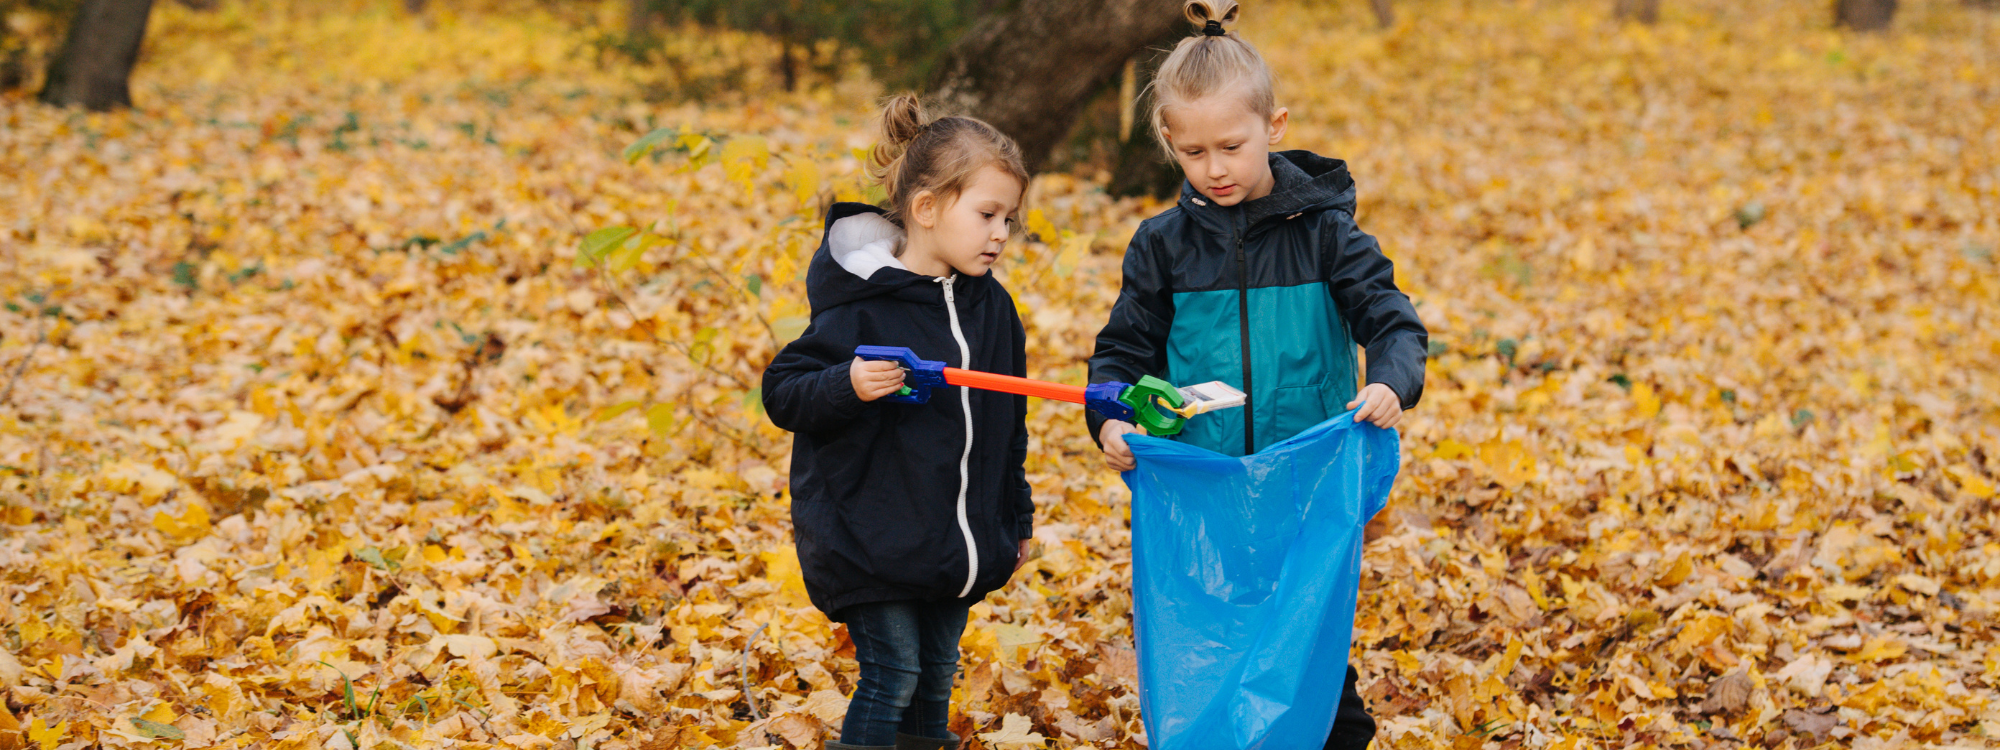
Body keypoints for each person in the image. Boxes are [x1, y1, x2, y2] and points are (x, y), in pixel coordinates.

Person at [1086, 1, 1430, 747]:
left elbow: (1391, 318)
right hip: (1203, 491)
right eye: (1194, 152)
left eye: (1232, 147)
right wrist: (1109, 416)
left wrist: (1389, 382)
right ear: (1169, 143)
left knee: (1309, 658)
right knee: (1215, 653)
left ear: (1274, 128)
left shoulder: (1325, 235)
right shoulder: (1162, 247)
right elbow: (1121, 353)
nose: (1215, 169)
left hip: (1307, 486)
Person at [761, 94, 1034, 750]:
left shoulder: (992, 311)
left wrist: (1014, 516)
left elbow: (1008, 425)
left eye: (1009, 219)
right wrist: (849, 383)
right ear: (927, 208)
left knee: (938, 671)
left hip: (954, 535)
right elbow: (783, 392)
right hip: (869, 534)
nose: (1001, 233)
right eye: (988, 214)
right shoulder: (862, 306)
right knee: (894, 672)